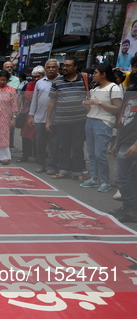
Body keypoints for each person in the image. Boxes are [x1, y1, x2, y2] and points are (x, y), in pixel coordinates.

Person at [79, 64, 123, 192]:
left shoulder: (113, 88)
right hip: (90, 120)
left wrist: (98, 103)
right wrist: (86, 104)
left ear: (103, 74)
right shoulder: (94, 89)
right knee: (91, 153)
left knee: (100, 154)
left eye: (96, 73)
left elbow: (118, 108)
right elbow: (91, 108)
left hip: (103, 122)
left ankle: (105, 181)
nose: (93, 76)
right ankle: (94, 178)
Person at [46, 57, 89, 180]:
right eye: (64, 65)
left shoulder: (85, 79)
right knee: (63, 146)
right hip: (61, 121)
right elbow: (52, 101)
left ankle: (77, 172)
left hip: (79, 121)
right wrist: (48, 119)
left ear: (76, 67)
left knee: (77, 146)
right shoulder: (57, 81)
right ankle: (63, 170)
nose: (64, 68)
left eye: (68, 65)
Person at [110, 57, 137, 222]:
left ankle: (130, 208)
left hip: (133, 141)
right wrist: (116, 141)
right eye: (134, 66)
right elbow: (123, 117)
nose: (135, 70)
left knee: (120, 175)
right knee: (130, 176)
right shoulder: (132, 88)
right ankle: (130, 208)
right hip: (124, 138)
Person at [28, 59, 60, 174]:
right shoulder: (40, 82)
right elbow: (34, 100)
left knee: (54, 143)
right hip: (40, 118)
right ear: (45, 69)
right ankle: (41, 164)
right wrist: (31, 115)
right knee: (40, 143)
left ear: (58, 69)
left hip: (56, 119)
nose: (51, 69)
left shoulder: (61, 81)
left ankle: (52, 165)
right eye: (49, 67)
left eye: (54, 67)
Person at [17, 67, 44, 163]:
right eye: (34, 77)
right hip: (28, 113)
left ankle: (38, 157)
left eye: (38, 76)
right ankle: (25, 155)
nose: (36, 79)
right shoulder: (30, 85)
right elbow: (28, 96)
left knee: (39, 136)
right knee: (26, 136)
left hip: (42, 113)